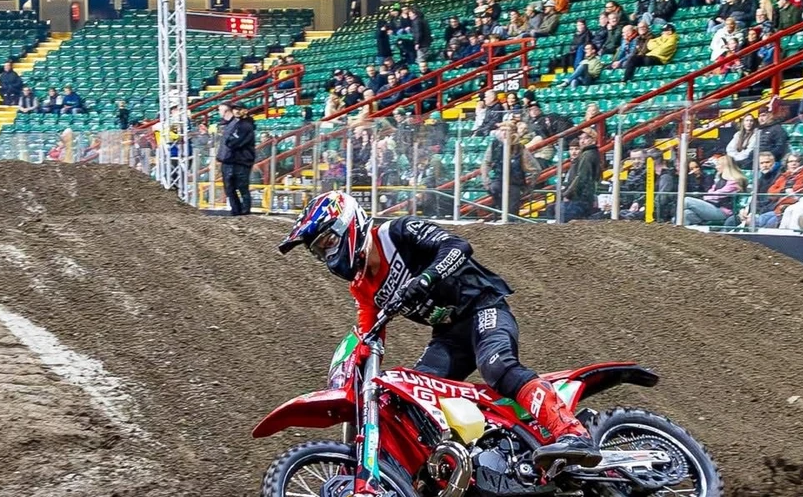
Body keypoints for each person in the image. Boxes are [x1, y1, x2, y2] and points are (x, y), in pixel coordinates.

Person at [278, 193, 600, 468]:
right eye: (319, 252)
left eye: (328, 243)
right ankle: (429, 474)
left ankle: (572, 433)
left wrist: (426, 279)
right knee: (409, 397)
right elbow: (368, 334)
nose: (327, 255)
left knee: (496, 365)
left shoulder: (395, 234)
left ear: (347, 224)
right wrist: (355, 362)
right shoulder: (362, 287)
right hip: (449, 336)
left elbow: (458, 246)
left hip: (483, 307)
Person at [682, 154, 746, 227]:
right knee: (686, 213)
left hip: (723, 211)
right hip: (713, 205)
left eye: (718, 165)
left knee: (686, 201)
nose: (716, 167)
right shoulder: (720, 179)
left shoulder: (734, 181)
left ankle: (668, 221)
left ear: (725, 166)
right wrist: (708, 196)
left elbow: (719, 194)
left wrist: (706, 197)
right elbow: (711, 191)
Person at [217, 101, 256, 215]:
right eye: (235, 109)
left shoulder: (246, 125)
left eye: (240, 108)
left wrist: (231, 141)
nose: (237, 111)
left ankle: (244, 211)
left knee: (241, 187)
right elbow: (230, 141)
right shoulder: (235, 124)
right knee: (230, 188)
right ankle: (237, 210)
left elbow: (233, 142)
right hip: (232, 160)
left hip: (241, 161)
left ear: (245, 111)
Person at [562, 130, 601, 221]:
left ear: (593, 140)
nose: (582, 141)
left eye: (586, 138)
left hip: (580, 197)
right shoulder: (591, 153)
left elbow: (581, 177)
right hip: (585, 196)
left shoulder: (587, 155)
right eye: (581, 138)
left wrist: (567, 194)